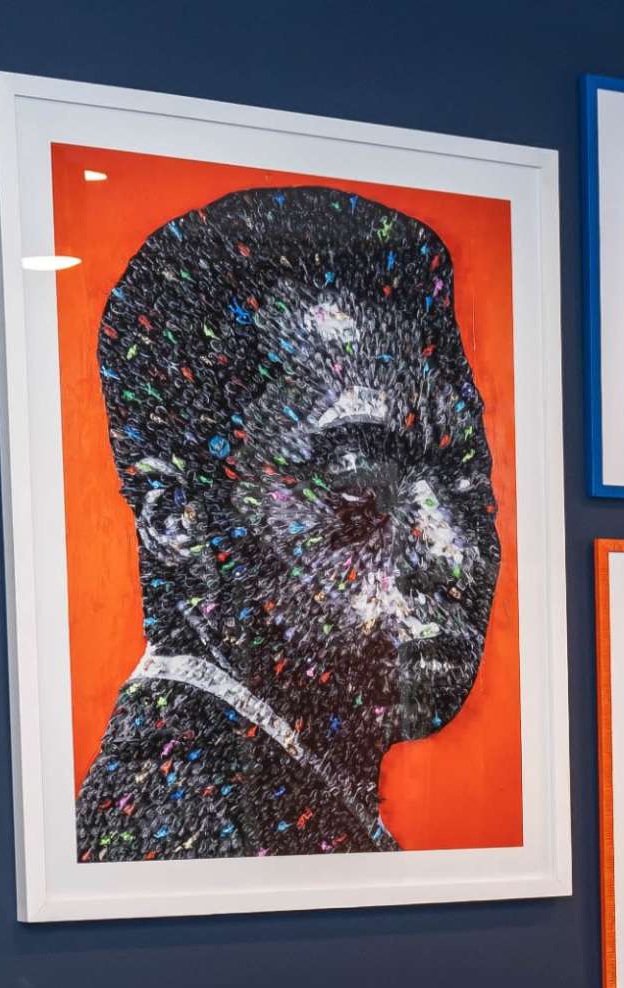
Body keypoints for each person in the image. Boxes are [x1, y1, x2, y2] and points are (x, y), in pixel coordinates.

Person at [74, 186, 502, 861]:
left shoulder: (274, 806)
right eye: (361, 483)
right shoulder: (181, 822)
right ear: (178, 519)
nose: (455, 556)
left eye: (469, 485)